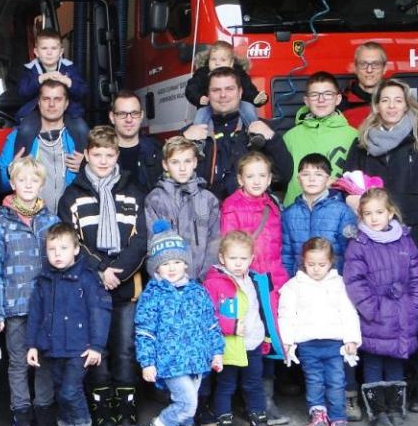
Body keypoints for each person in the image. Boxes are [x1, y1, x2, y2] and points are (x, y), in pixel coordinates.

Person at [346, 78, 418, 414]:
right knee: (377, 321)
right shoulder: (363, 143)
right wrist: (350, 198)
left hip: (413, 245)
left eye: (397, 100)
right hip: (373, 247)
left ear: (408, 104)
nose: (391, 106)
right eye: (385, 100)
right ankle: (383, 393)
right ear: (376, 105)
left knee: (414, 321)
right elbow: (347, 183)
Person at [57, 126, 148, 426]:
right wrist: (101, 269)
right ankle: (101, 407)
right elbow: (73, 241)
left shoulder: (133, 192)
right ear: (86, 155)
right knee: (97, 348)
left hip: (125, 283)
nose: (104, 161)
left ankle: (127, 407)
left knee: (124, 347)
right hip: (90, 286)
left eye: (109, 155)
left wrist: (117, 271)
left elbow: (140, 239)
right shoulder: (72, 196)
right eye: (97, 154)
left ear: (117, 155)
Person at [0, 155, 61, 426]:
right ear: (12, 183)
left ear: (41, 184)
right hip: (15, 308)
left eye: (33, 180)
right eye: (21, 180)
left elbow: (62, 265)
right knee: (17, 364)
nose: (28, 185)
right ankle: (22, 418)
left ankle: (45, 415)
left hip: (47, 307)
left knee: (45, 362)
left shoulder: (52, 221)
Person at [131, 222, 224, 426]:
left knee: (188, 403)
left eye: (176, 261)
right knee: (187, 403)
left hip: (197, 360)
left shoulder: (198, 292)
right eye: (165, 263)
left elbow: (211, 325)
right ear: (156, 267)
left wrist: (217, 352)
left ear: (185, 263)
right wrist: (147, 362)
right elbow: (145, 332)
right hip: (170, 362)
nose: (171, 268)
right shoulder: (152, 295)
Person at [26, 224, 112, 426]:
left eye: (63, 248)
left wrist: (97, 346)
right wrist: (32, 345)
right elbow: (35, 314)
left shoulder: (87, 278)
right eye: (52, 249)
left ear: (76, 249)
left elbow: (100, 312)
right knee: (60, 392)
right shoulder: (44, 280)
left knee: (70, 392)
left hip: (79, 349)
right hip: (53, 348)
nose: (58, 254)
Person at [342, 188, 418, 426]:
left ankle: (395, 409)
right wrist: (373, 311)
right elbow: (354, 282)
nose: (374, 218)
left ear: (390, 213)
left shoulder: (404, 240)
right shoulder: (359, 244)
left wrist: (413, 307)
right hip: (375, 317)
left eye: (379, 212)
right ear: (361, 216)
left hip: (401, 314)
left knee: (395, 363)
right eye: (368, 213)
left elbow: (417, 278)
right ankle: (378, 411)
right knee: (373, 363)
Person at [202, 231, 282, 426]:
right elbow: (208, 315)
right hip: (228, 345)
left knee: (254, 385)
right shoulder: (214, 282)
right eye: (233, 258)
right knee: (226, 386)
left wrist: (265, 337)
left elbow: (262, 310)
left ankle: (259, 421)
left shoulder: (255, 280)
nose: (238, 263)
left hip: (253, 343)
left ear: (251, 258)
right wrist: (232, 326)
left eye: (243, 258)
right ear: (222, 258)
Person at [278, 237, 362, 426]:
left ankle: (338, 416)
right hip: (308, 344)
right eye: (311, 264)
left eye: (321, 265)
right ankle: (318, 415)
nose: (316, 269)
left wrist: (351, 339)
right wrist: (287, 342)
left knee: (337, 381)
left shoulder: (339, 284)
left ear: (331, 262)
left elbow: (349, 312)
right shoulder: (293, 286)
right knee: (314, 380)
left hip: (335, 343)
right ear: (303, 261)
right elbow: (286, 315)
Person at [182, 67, 294, 199]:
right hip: (204, 210)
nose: (223, 95)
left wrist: (272, 139)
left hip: (250, 211)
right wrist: (183, 140)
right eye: (216, 90)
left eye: (229, 89)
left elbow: (284, 176)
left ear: (240, 92)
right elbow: (167, 179)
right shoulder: (191, 133)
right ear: (208, 94)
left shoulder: (263, 130)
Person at [0, 79, 86, 211]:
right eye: (46, 99)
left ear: (66, 104)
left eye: (57, 99)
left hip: (71, 217)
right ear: (38, 102)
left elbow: (103, 181)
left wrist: (87, 167)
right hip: (32, 217)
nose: (51, 104)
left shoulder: (79, 137)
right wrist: (11, 170)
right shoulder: (19, 137)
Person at [143, 135, 220, 281]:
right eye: (175, 162)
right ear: (165, 165)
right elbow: (152, 245)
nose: (182, 168)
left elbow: (215, 242)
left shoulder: (208, 200)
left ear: (195, 162)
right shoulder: (155, 200)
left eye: (187, 161)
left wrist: (205, 278)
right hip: (168, 282)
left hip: (202, 281)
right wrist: (165, 281)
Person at [279, 71, 357, 204]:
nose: (321, 100)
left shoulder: (354, 136)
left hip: (337, 211)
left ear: (338, 99)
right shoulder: (290, 137)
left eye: (328, 94)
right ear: (306, 101)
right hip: (295, 210)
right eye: (314, 95)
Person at [280, 153, 357, 277]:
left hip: (333, 282)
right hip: (300, 281)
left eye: (319, 174)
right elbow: (286, 255)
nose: (312, 179)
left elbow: (351, 253)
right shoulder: (289, 214)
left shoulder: (342, 211)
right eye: (306, 174)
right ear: (298, 179)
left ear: (328, 180)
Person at [221, 151, 288, 287]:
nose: (257, 182)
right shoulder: (232, 206)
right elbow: (229, 247)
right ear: (240, 180)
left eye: (262, 176)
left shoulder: (272, 205)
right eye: (250, 176)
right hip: (246, 278)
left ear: (269, 179)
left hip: (275, 276)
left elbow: (279, 246)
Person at [184, 41, 266, 127]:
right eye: (213, 59)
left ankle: (255, 131)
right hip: (210, 105)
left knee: (248, 107)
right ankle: (198, 134)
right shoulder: (202, 73)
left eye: (222, 60)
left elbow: (248, 89)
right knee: (201, 113)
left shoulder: (238, 73)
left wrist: (255, 98)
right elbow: (191, 88)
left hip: (236, 105)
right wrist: (198, 98)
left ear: (231, 63)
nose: (217, 63)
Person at [16, 30, 88, 121]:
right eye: (44, 48)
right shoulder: (30, 69)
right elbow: (22, 93)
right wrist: (40, 79)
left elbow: (83, 92)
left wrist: (69, 82)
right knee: (25, 128)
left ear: (61, 52)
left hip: (68, 112)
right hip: (35, 112)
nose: (49, 53)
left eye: (54, 48)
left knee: (81, 128)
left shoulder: (69, 68)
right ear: (36, 52)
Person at [110, 90, 163, 192]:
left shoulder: (156, 151)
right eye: (122, 114)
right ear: (112, 117)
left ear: (141, 115)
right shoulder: (100, 155)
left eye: (134, 113)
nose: (129, 119)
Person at [340, 41, 389, 126]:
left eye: (376, 64)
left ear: (385, 68)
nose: (369, 70)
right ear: (355, 68)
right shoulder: (340, 104)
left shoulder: (397, 103)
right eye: (363, 64)